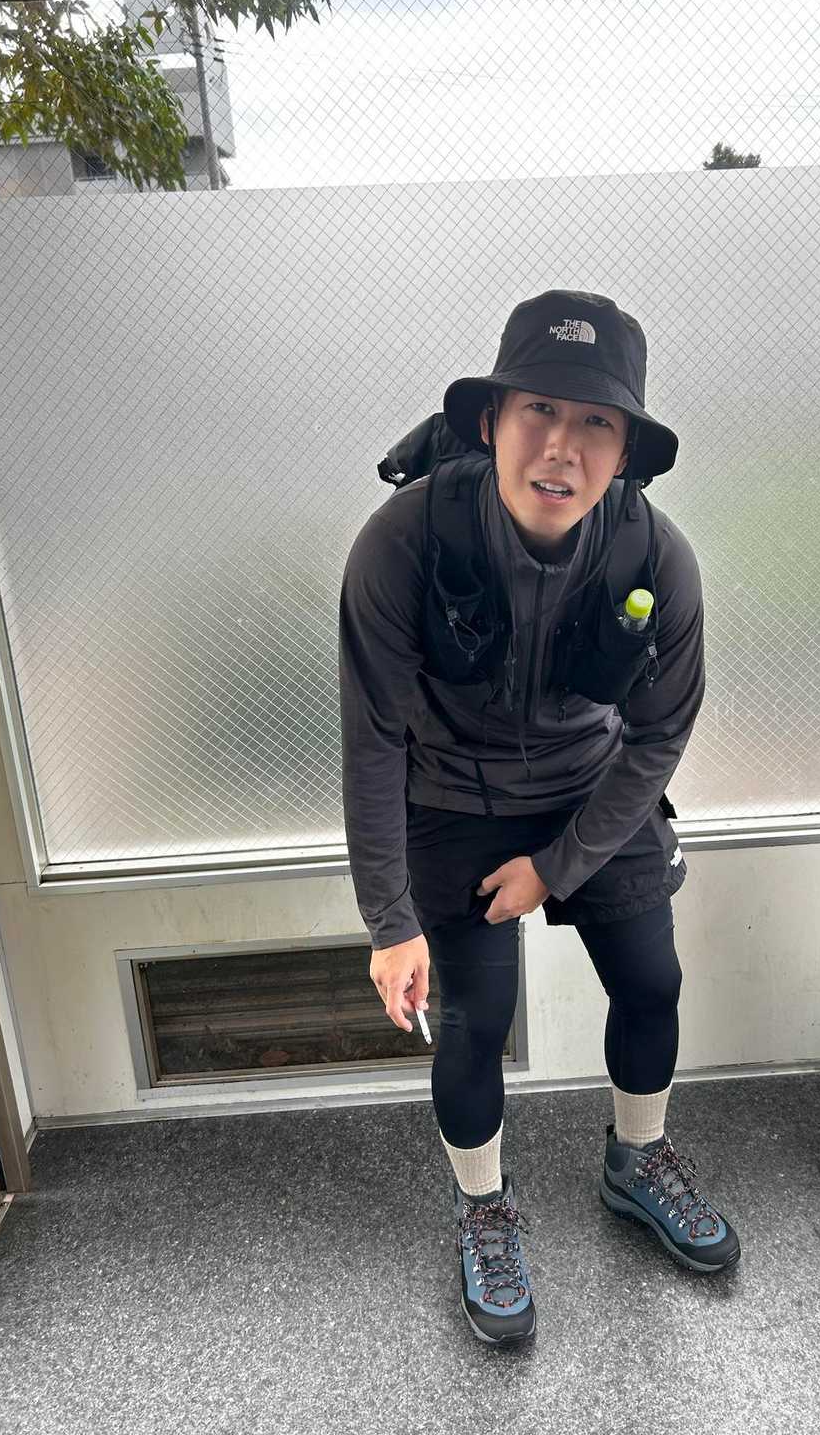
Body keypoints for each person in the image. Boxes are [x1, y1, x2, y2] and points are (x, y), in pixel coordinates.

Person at [338, 289, 740, 1347]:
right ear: (490, 421)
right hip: (449, 797)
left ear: (627, 452)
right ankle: (483, 1209)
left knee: (652, 981)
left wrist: (555, 868)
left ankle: (636, 1158)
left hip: (593, 789)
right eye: (539, 412)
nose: (561, 448)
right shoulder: (402, 544)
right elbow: (373, 738)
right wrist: (389, 921)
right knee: (476, 1021)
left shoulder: (658, 559)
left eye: (596, 422)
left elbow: (658, 735)